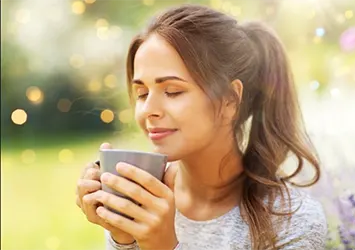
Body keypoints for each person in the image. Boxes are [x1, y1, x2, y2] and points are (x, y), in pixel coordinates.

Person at [75, 4, 327, 250]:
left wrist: (162, 246)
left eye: (172, 91)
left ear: (230, 99)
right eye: (142, 93)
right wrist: (123, 237)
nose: (149, 109)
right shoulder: (140, 199)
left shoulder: (293, 222)